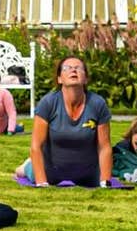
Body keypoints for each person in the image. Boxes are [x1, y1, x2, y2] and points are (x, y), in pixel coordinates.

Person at [15, 56, 112, 187]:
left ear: (86, 79)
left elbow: (104, 147)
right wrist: (42, 182)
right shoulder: (48, 103)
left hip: (88, 174)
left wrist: (105, 181)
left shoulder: (98, 104)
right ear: (59, 79)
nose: (73, 70)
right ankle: (27, 165)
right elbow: (36, 146)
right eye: (67, 68)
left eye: (78, 68)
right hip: (51, 171)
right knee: (23, 171)